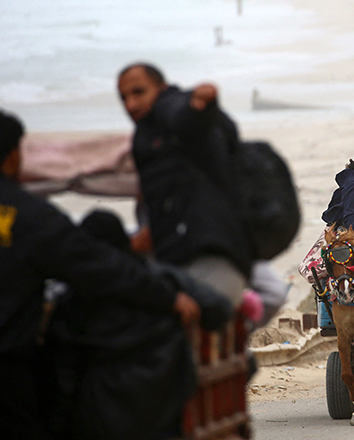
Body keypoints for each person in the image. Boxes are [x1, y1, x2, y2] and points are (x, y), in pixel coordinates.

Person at [0, 110, 199, 439]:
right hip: (9, 368)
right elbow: (100, 267)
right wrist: (168, 297)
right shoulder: (31, 218)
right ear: (12, 156)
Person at [48, 209, 233, 440]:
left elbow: (63, 374)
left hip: (101, 414)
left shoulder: (73, 300)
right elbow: (219, 309)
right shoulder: (163, 280)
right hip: (164, 402)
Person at [117, 63, 253, 305]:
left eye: (139, 92)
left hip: (209, 259)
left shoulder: (167, 106)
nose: (130, 105)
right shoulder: (147, 132)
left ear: (161, 87)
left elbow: (184, 118)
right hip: (188, 258)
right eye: (123, 97)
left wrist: (199, 107)